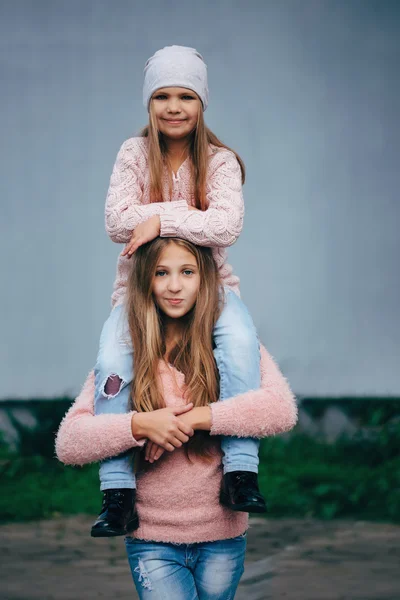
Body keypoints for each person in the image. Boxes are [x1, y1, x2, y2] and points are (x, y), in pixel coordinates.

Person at [56, 237, 298, 599]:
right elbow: (69, 442)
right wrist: (139, 426)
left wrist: (195, 418)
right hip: (153, 540)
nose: (173, 286)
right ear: (145, 282)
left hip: (222, 537)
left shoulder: (233, 349)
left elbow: (280, 410)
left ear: (206, 279)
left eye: (187, 272)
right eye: (160, 273)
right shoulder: (126, 354)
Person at [92, 44, 266, 538]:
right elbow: (114, 221)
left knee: (238, 344)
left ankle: (241, 468)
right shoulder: (133, 154)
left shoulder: (222, 162)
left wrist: (157, 218)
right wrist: (187, 220)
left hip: (212, 289)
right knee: (111, 359)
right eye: (162, 96)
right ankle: (116, 491)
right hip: (139, 290)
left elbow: (226, 225)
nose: (173, 107)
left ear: (202, 103)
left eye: (185, 96)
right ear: (149, 103)